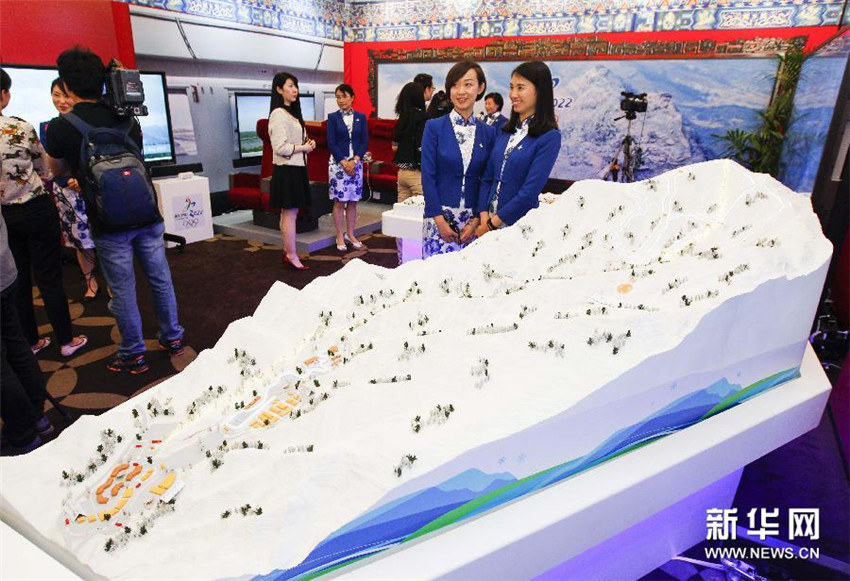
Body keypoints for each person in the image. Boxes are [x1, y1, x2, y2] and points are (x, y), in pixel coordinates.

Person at [43, 48, 184, 374]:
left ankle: (133, 353)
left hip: (108, 222)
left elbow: (56, 171)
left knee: (123, 289)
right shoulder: (127, 117)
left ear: (66, 85)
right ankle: (173, 337)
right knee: (160, 279)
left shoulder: (61, 127)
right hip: (147, 213)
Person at [0, 68, 88, 358]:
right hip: (36, 210)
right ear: (4, 95)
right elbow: (45, 170)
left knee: (18, 279)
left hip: (4, 217)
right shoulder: (19, 127)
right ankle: (66, 340)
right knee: (49, 277)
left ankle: (31, 342)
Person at [476, 61, 562, 237]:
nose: (513, 94)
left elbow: (529, 192)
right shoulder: (505, 130)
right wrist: (483, 214)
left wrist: (491, 225)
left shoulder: (549, 137)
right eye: (511, 87)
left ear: (540, 91)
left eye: (520, 88)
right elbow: (487, 177)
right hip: (486, 224)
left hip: (517, 228)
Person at [421, 60, 496, 259]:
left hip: (473, 221)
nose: (461, 91)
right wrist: (439, 221)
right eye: (455, 85)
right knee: (435, 274)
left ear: (480, 88)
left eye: (468, 84)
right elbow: (428, 176)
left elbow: (486, 180)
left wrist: (475, 221)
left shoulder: (488, 133)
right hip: (438, 217)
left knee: (469, 274)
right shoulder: (434, 127)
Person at [1, 211, 55, 455]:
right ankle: (36, 418)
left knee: (8, 356)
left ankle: (23, 434)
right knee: (16, 345)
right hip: (4, 269)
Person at [44, 78, 100, 302]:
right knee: (80, 241)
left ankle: (113, 283)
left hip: (94, 188)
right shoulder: (50, 127)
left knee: (105, 238)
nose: (61, 100)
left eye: (65, 95)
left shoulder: (88, 124)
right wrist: (67, 180)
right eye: (56, 95)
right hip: (68, 192)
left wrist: (83, 179)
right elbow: (51, 166)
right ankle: (90, 281)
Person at [268, 71, 315, 270]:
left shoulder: (291, 113)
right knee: (290, 213)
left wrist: (308, 144)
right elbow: (280, 147)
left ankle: (288, 251)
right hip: (287, 170)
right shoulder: (278, 114)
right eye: (290, 86)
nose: (295, 90)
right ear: (279, 89)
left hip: (296, 167)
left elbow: (294, 142)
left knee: (289, 213)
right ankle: (291, 254)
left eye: (295, 86)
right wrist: (304, 147)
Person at [326, 83, 368, 252]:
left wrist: (355, 161)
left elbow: (364, 141)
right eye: (338, 97)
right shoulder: (332, 118)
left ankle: (351, 234)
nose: (341, 100)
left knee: (352, 202)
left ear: (352, 98)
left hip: (356, 164)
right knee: (340, 202)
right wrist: (344, 162)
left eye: (344, 96)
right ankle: (339, 235)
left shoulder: (361, 117)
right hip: (338, 165)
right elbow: (331, 142)